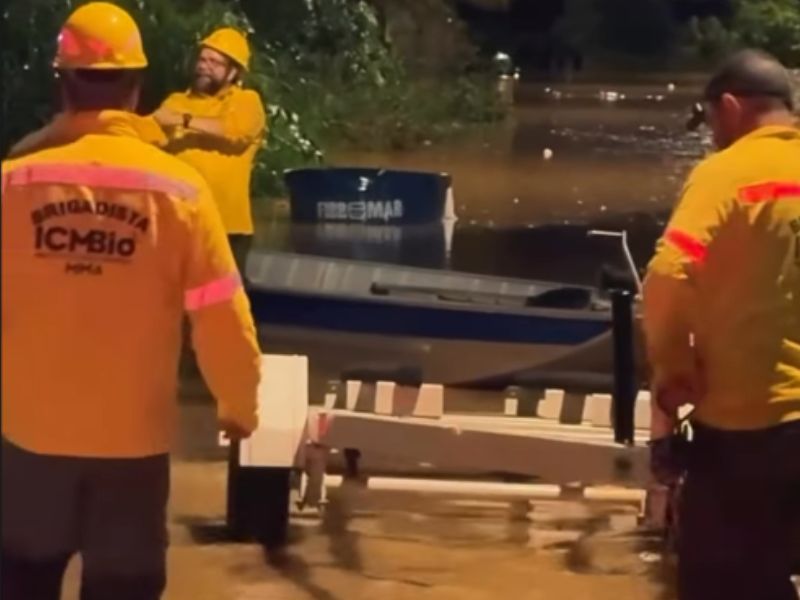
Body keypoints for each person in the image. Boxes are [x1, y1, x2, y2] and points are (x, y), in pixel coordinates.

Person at [1, 3, 262, 599]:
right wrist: (239, 405)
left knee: (21, 578)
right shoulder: (180, 192)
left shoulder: (14, 183)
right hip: (132, 445)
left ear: (61, 83)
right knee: (124, 587)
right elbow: (222, 312)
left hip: (28, 439)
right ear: (136, 87)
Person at [643, 49, 800, 600]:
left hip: (748, 427)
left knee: (718, 583)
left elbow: (667, 273)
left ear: (730, 108)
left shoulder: (726, 174)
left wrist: (673, 367)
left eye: (711, 121)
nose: (711, 135)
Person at [152, 27, 266, 277]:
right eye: (202, 59)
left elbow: (235, 132)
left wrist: (184, 121)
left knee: (223, 308)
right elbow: (149, 140)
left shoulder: (246, 101)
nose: (204, 66)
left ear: (233, 71)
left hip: (227, 226)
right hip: (178, 223)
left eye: (214, 62)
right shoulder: (174, 102)